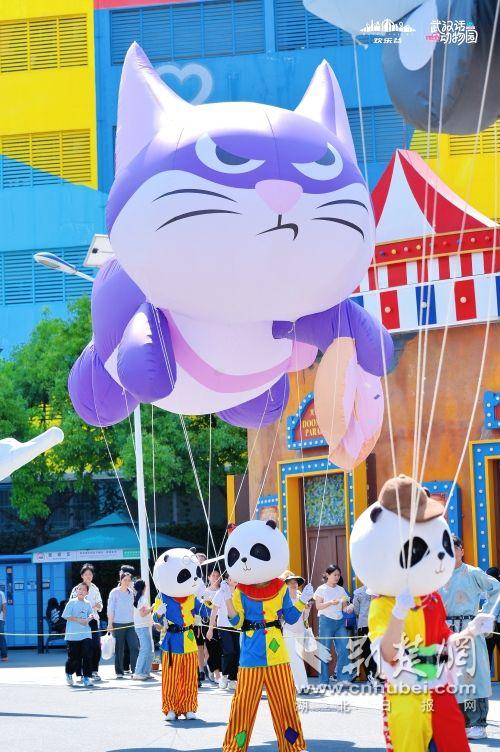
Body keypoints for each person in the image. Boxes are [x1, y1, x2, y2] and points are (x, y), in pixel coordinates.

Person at [440, 535, 500, 740]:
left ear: (462, 551)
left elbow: (496, 589)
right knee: (452, 677)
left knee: (474, 675)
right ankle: (460, 722)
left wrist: (485, 616)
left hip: (470, 629)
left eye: (454, 547)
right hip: (447, 631)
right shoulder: (437, 576)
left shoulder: (473, 572)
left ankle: (477, 723)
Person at [314, 564, 354, 684]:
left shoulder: (341, 590)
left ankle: (343, 678)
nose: (337, 577)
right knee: (324, 650)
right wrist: (330, 602)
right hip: (326, 621)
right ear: (327, 575)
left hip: (340, 622)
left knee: (344, 649)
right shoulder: (321, 589)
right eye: (334, 575)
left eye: (338, 575)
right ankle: (324, 681)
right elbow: (318, 606)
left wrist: (349, 609)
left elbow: (344, 608)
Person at [70, 563, 103, 681]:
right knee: (81, 648)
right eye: (86, 574)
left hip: (93, 621)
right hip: (80, 622)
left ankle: (94, 671)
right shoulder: (76, 589)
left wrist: (98, 606)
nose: (88, 576)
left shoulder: (95, 588)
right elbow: (72, 605)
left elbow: (100, 604)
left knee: (96, 647)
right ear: (82, 576)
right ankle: (80, 674)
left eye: (90, 574)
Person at [209, 574, 239, 689]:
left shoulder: (239, 592)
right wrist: (210, 629)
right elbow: (214, 611)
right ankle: (224, 676)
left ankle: (233, 679)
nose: (235, 579)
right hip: (223, 627)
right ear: (227, 579)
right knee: (229, 651)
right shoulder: (221, 592)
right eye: (233, 577)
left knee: (237, 652)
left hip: (237, 627)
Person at [107, 570, 139, 679]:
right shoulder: (114, 592)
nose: (127, 582)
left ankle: (135, 671)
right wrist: (110, 624)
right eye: (125, 580)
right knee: (119, 649)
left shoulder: (131, 592)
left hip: (131, 624)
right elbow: (110, 609)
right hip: (117, 623)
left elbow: (136, 607)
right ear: (120, 580)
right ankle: (119, 672)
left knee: (134, 647)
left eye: (129, 580)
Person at [62, 582, 95, 687]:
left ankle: (87, 677)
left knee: (87, 655)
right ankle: (69, 673)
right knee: (74, 658)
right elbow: (65, 616)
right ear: (76, 591)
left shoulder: (88, 603)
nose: (81, 591)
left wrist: (89, 618)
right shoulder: (72, 602)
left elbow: (90, 614)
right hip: (73, 635)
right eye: (79, 589)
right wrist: (79, 620)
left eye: (84, 590)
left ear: (87, 593)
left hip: (86, 634)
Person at [281, 571, 309, 692]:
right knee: (294, 658)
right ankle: (302, 686)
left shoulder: (301, 597)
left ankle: (297, 685)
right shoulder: (283, 599)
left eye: (295, 582)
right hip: (288, 631)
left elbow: (304, 618)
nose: (294, 585)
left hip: (300, 631)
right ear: (286, 585)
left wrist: (307, 609)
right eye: (290, 582)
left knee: (297, 658)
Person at [352, 583, 379, 687]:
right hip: (378, 625)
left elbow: (356, 610)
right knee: (377, 651)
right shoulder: (380, 589)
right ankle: (378, 677)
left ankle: (371, 677)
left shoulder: (358, 592)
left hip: (364, 625)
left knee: (366, 652)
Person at [201, 568, 222, 683]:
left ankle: (215, 669)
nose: (215, 578)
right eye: (213, 575)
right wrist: (211, 622)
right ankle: (217, 674)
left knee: (221, 648)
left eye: (217, 575)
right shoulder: (205, 593)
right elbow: (202, 609)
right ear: (208, 577)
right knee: (212, 647)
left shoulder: (223, 591)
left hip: (222, 622)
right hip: (208, 623)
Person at [132, 579, 155, 680]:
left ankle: (145, 672)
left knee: (148, 649)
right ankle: (138, 672)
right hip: (142, 627)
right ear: (144, 587)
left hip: (143, 626)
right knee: (145, 649)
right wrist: (152, 607)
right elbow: (142, 614)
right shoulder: (142, 599)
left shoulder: (140, 598)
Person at [485, 566, 500, 669]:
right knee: (487, 652)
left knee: (487, 652)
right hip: (491, 622)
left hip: (494, 623)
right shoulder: (488, 589)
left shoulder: (497, 587)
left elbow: (495, 607)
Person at [0, 588, 7, 662]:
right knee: (2, 638)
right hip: (1, 619)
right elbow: (4, 607)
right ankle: (4, 656)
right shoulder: (1, 593)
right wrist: (4, 619)